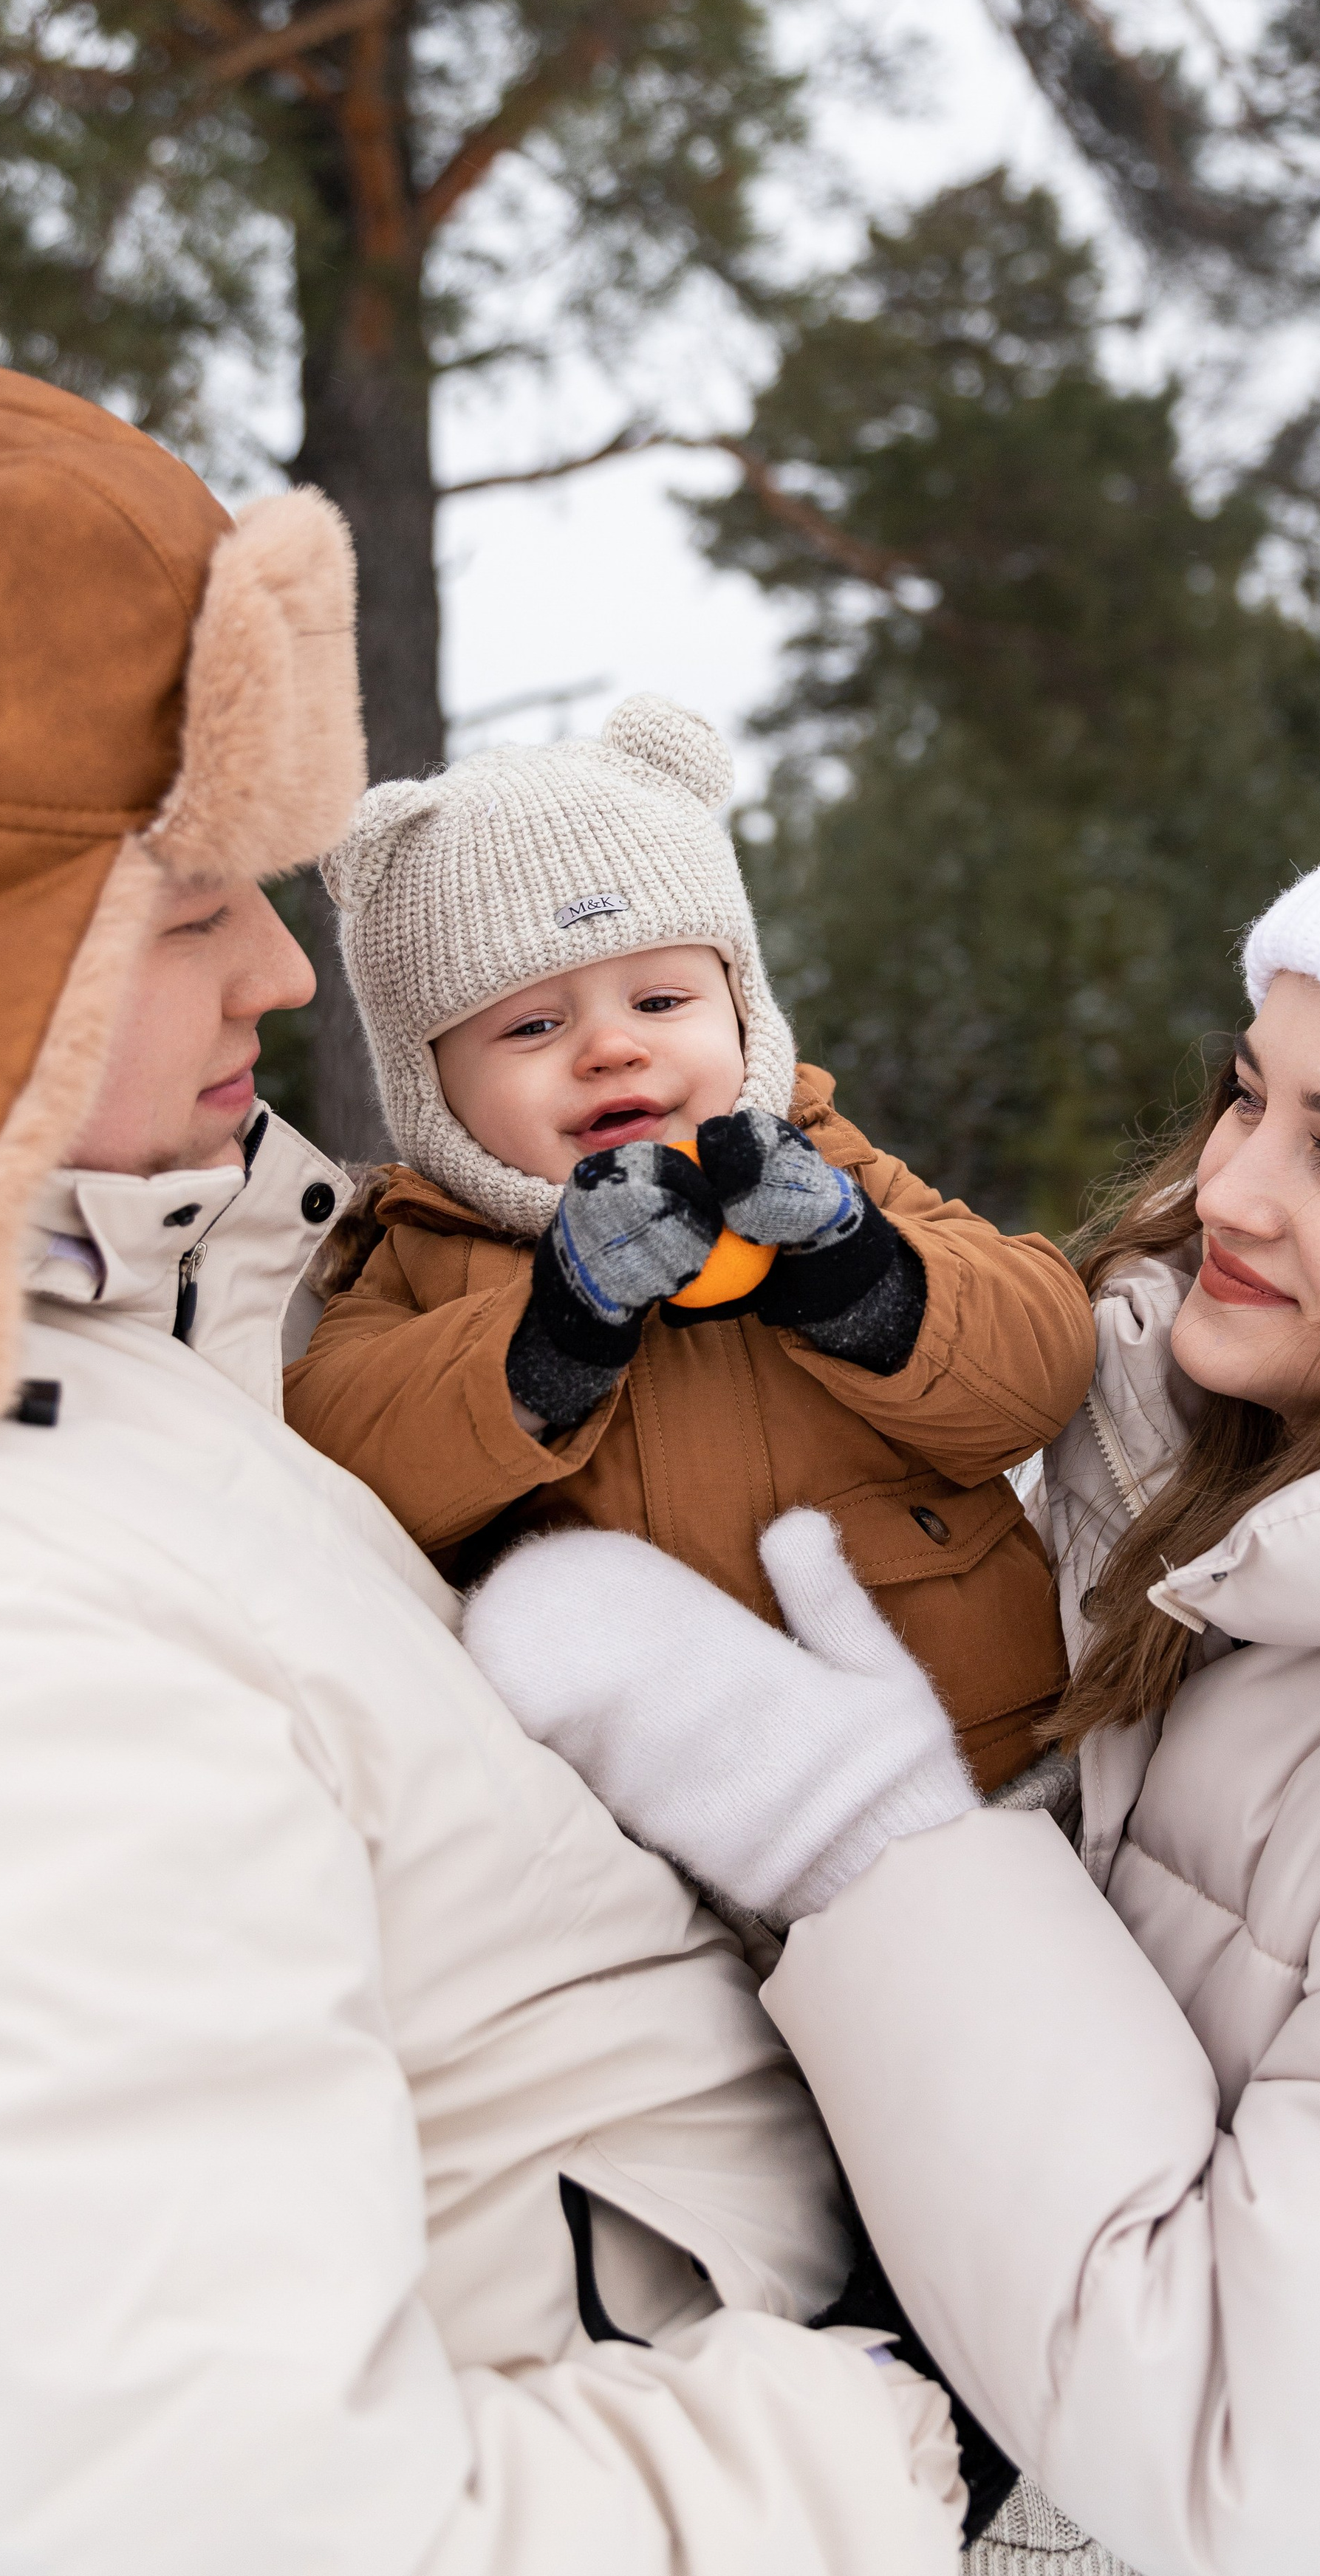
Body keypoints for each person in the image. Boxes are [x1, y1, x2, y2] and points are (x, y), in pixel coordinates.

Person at [465, 773, 1320, 2574]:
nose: (1227, 1185)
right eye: (1246, 1094)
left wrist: (868, 1843)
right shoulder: (1184, 1497)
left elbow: (1261, 2449)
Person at [0, 367, 963, 2574]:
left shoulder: (169, 1311)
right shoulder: (33, 1639)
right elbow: (232, 2524)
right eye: (187, 904)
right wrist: (895, 2444)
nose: (278, 966)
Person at [283, 708, 1093, 1790]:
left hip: (980, 1765)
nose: (612, 1047)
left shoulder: (834, 1172)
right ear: (432, 1088)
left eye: (661, 1000)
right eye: (532, 1026)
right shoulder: (427, 1252)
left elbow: (1043, 1371)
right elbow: (341, 1456)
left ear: (742, 1013)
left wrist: (864, 1279)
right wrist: (551, 1339)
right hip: (647, 1828)